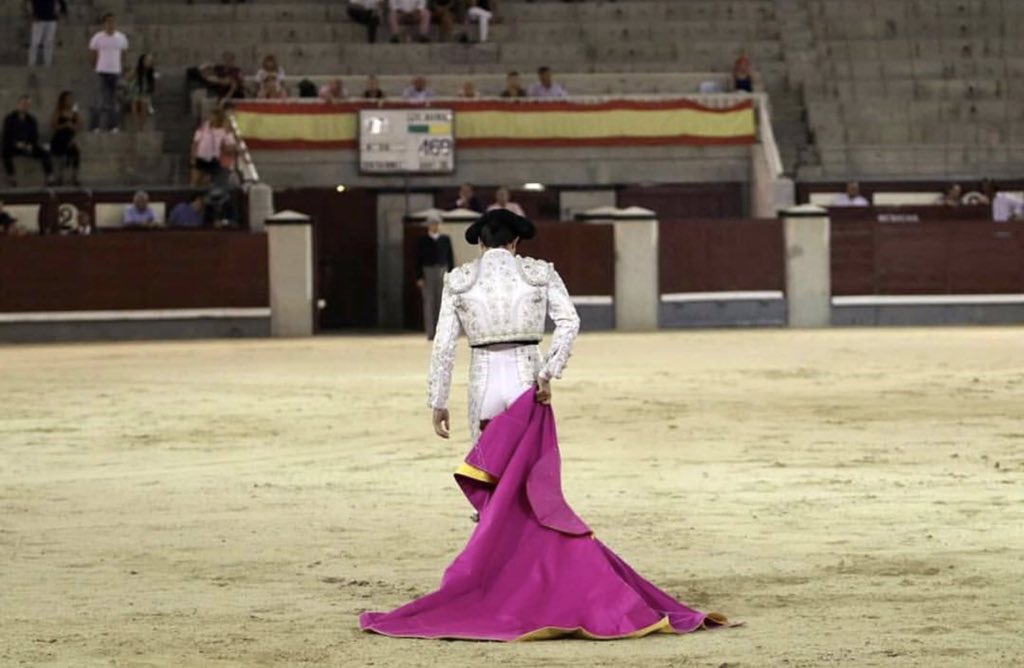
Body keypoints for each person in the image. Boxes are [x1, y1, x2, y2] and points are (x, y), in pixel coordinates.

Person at [360, 208, 729, 641]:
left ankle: (498, 579)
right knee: (533, 487)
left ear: (479, 243)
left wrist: (436, 400)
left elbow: (443, 345)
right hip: (523, 381)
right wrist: (548, 371)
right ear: (517, 243)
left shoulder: (459, 280)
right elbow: (570, 322)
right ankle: (534, 580)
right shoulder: (538, 274)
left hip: (483, 382)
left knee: (493, 485)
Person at [415, 211, 455, 340]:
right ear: (428, 225)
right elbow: (418, 260)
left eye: (436, 223)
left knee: (442, 303)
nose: (434, 225)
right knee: (429, 303)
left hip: (442, 270)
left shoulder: (445, 239)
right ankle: (430, 333)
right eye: (432, 223)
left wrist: (451, 275)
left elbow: (450, 258)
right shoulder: (422, 240)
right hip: (428, 271)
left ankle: (441, 332)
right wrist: (419, 277)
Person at [89, 13, 129, 133]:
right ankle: (95, 126)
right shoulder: (97, 37)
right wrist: (96, 66)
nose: (110, 24)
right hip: (102, 71)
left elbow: (124, 54)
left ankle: (114, 126)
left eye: (112, 21)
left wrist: (119, 66)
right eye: (108, 22)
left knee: (115, 100)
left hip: (115, 72)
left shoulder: (121, 38)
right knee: (99, 99)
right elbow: (93, 53)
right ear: (104, 24)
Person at [2, 95, 55, 187]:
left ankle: (49, 175)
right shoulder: (10, 118)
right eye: (23, 104)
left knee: (44, 153)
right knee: (5, 151)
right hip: (13, 145)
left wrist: (29, 144)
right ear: (18, 104)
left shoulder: (31, 120)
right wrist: (16, 143)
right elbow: (6, 135)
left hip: (28, 145)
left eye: (27, 104)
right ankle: (11, 176)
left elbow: (34, 136)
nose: (24, 106)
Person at [191, 108, 236, 187]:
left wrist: (225, 148)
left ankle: (202, 198)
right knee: (195, 181)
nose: (210, 117)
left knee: (206, 182)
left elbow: (231, 146)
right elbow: (196, 142)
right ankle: (193, 197)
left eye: (213, 116)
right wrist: (193, 156)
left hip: (213, 158)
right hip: (201, 157)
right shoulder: (204, 127)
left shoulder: (225, 130)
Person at [50, 91, 81, 186]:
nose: (69, 101)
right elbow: (54, 126)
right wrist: (65, 125)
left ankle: (74, 177)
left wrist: (72, 126)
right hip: (59, 138)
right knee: (62, 150)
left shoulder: (75, 113)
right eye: (68, 99)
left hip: (70, 138)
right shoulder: (58, 112)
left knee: (75, 152)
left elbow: (78, 126)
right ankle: (59, 178)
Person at [27, 0, 67, 67]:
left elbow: (62, 2)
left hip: (51, 19)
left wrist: (62, 11)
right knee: (35, 42)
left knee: (49, 43)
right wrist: (33, 14)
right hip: (39, 19)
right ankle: (31, 64)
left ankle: (47, 64)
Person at [128, 53, 157, 130]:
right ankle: (135, 124)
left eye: (150, 60)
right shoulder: (137, 70)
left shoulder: (151, 72)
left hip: (145, 91)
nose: (149, 62)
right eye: (147, 60)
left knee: (144, 106)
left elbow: (151, 83)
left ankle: (141, 126)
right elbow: (129, 77)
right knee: (134, 104)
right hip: (136, 89)